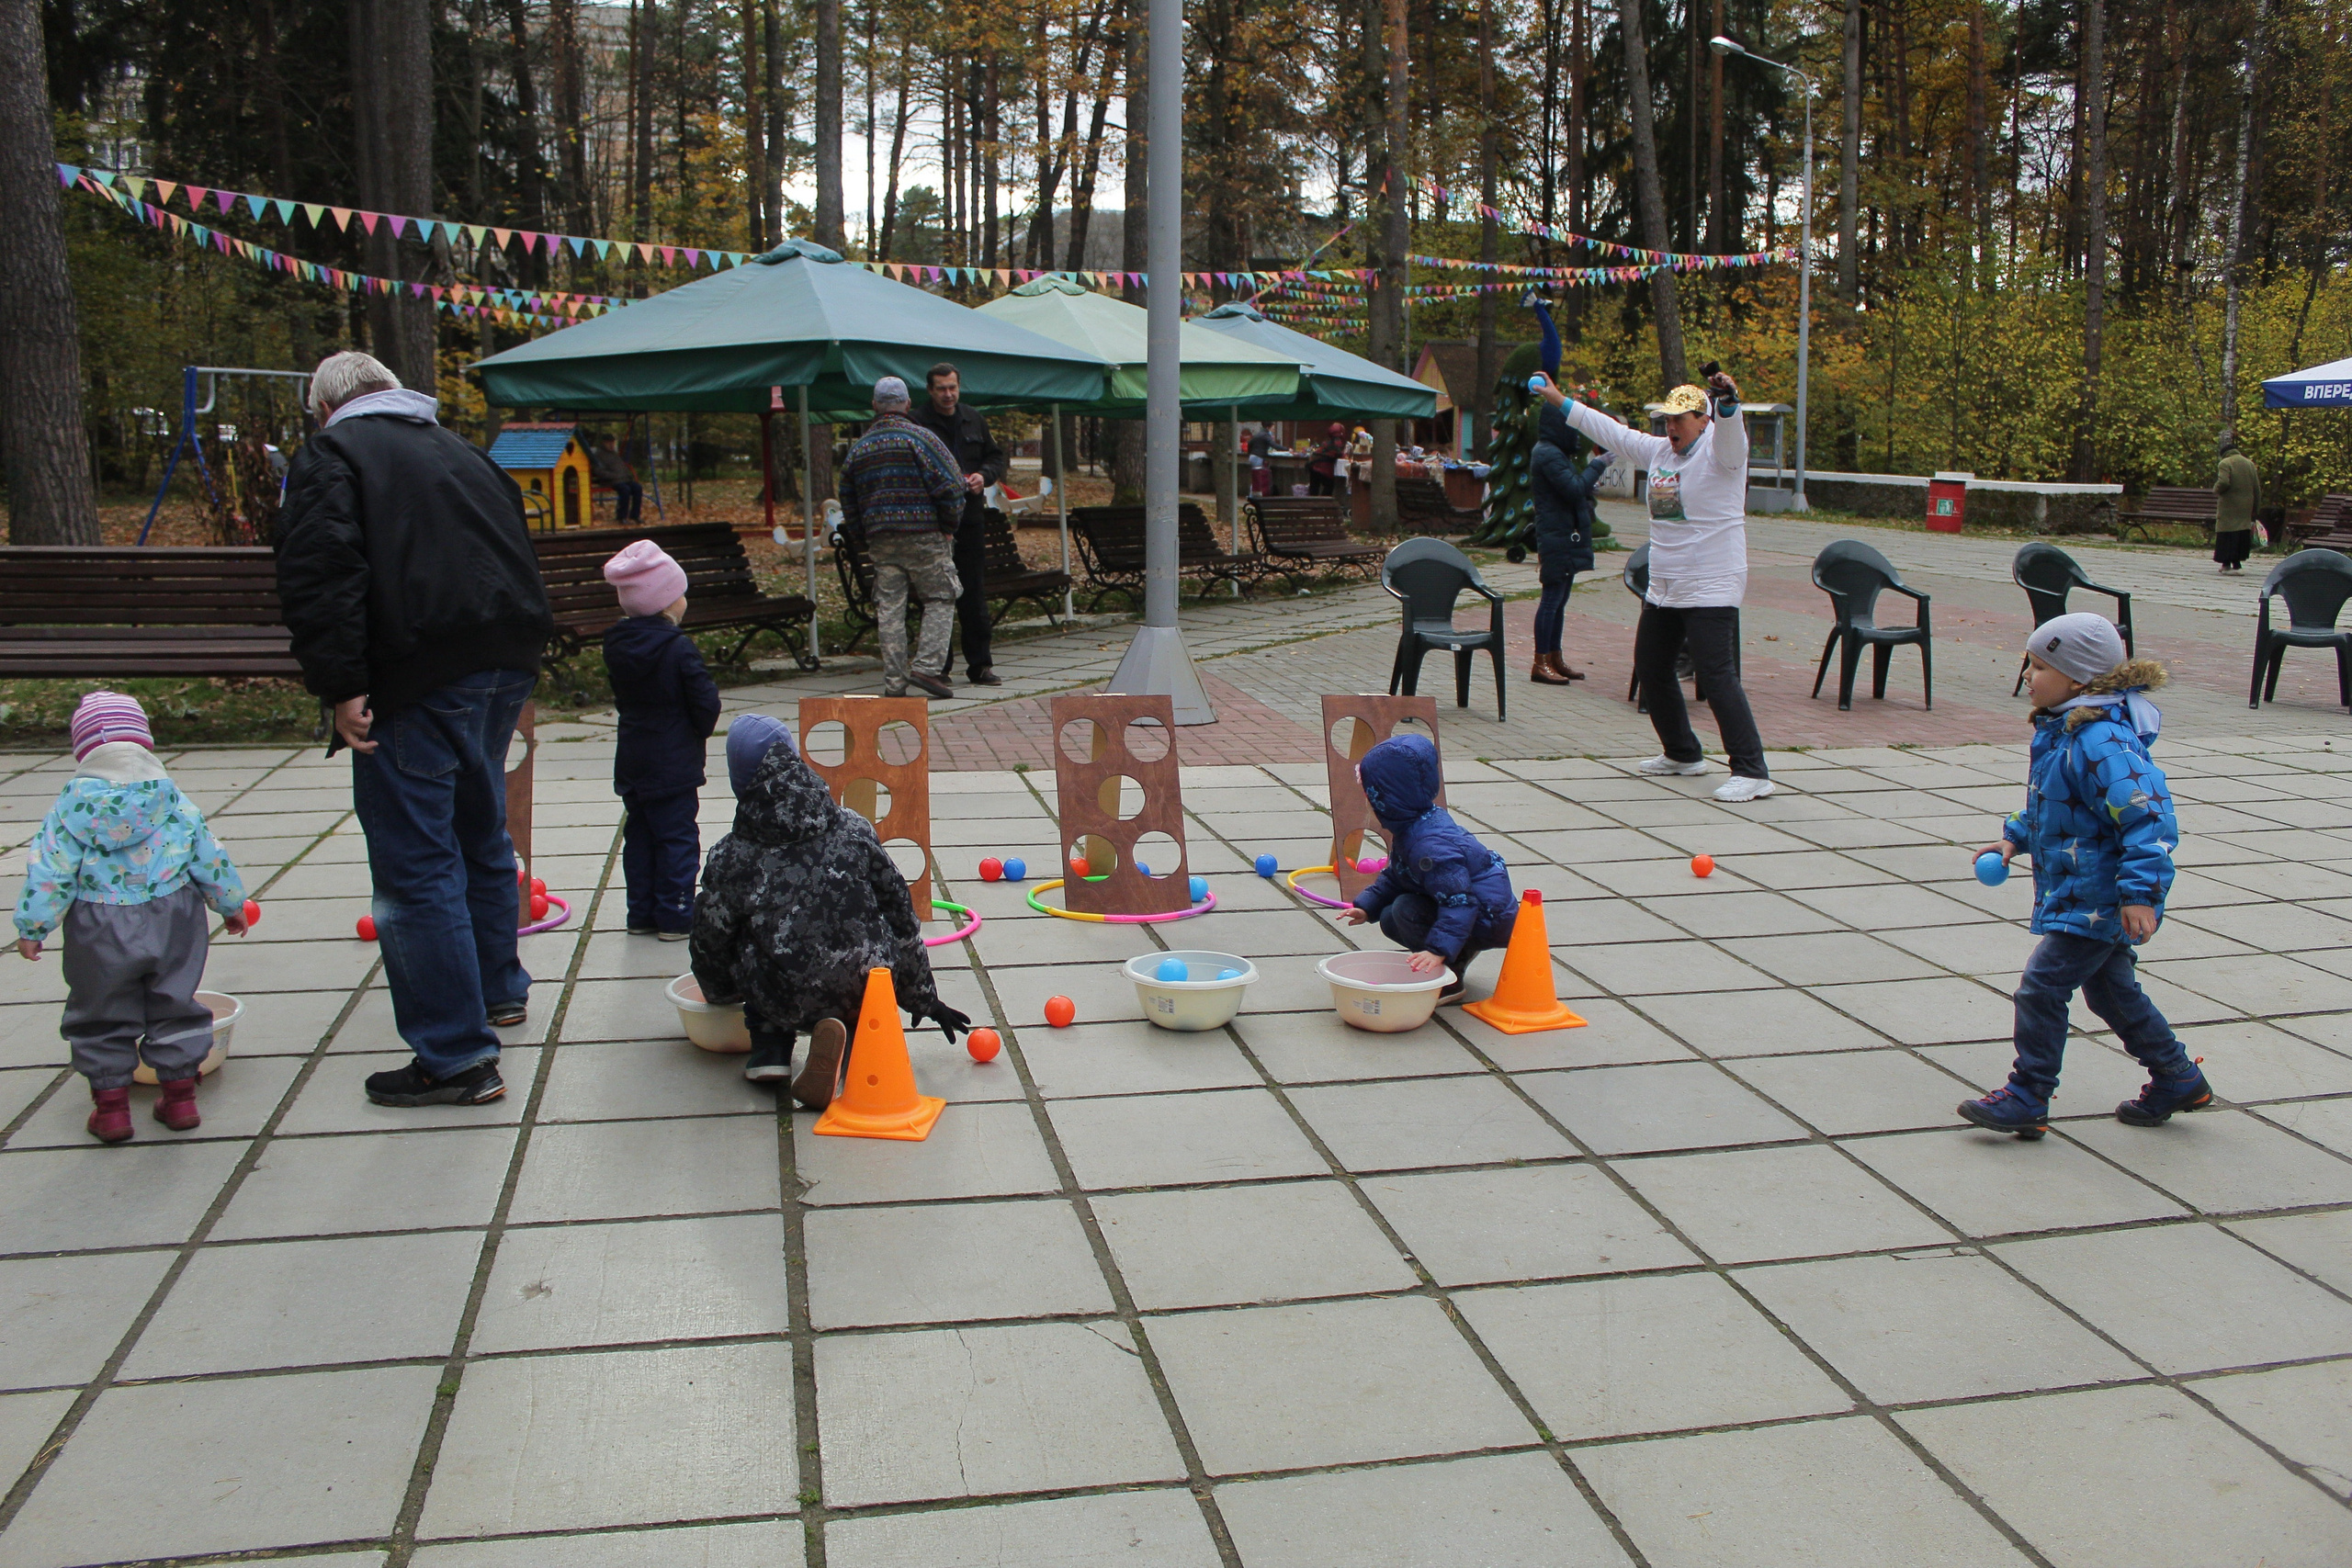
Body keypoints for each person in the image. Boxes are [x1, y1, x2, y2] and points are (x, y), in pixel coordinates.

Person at [276, 350, 555, 1109]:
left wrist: (342, 685)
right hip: (505, 660)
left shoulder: (333, 455)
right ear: (392, 392)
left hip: (417, 672)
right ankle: (499, 988)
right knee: (480, 831)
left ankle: (456, 1055)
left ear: (324, 408)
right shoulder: (460, 450)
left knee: (416, 867)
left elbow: (321, 572)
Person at [1961, 613, 2213, 1138]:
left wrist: (2140, 894)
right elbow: (2057, 803)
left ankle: (2029, 1093)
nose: (2027, 676)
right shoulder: (2065, 730)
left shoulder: (2102, 741)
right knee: (2111, 992)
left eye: (2039, 666)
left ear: (2078, 679)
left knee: (2041, 987)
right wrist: (2015, 837)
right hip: (2084, 891)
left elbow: (2150, 820)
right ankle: (2178, 1076)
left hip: (2101, 897)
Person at [690, 714, 971, 1100]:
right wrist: (922, 996)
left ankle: (770, 1048)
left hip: (784, 994)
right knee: (867, 938)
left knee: (741, 936)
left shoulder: (731, 855)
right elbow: (901, 916)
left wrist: (718, 993)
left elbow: (710, 937)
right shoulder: (853, 828)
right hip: (865, 987)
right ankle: (855, 1040)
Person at [15, 693, 248, 1143]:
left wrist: (33, 926)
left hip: (99, 922)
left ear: (83, 750)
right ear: (145, 743)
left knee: (100, 1009)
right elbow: (207, 854)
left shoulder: (69, 808)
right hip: (172, 916)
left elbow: (50, 872)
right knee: (174, 1000)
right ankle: (180, 1100)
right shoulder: (171, 799)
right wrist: (230, 903)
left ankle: (111, 1111)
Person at [1537, 369, 1772, 803]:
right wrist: (1558, 399)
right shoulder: (1661, 451)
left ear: (1703, 420)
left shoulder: (1723, 455)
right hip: (1666, 584)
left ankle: (1752, 770)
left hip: (1711, 582)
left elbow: (1732, 437)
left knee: (1716, 675)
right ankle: (1683, 753)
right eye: (1667, 419)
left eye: (1680, 419)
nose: (1671, 427)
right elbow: (1611, 431)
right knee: (1651, 665)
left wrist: (1729, 404)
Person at [1335, 734, 1517, 1005]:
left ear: (1386, 801)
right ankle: (1458, 951)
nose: (1366, 803)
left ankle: (1449, 977)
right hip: (1473, 908)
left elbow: (1460, 901)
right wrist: (1366, 906)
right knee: (1389, 916)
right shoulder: (1415, 826)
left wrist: (1437, 950)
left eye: (1369, 796)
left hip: (1489, 917)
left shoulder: (1429, 846)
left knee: (1404, 910)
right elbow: (1397, 876)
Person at [602, 539, 722, 939]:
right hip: (673, 760)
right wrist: (698, 731)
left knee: (639, 836)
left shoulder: (617, 645)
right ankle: (675, 914)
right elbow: (704, 700)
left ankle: (641, 913)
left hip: (633, 756)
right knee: (676, 838)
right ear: (668, 602)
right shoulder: (678, 647)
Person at [839, 376, 967, 701]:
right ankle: (926, 667)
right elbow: (953, 486)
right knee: (940, 597)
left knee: (890, 610)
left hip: (881, 540)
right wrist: (949, 524)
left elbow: (848, 501)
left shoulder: (859, 449)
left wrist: (863, 536)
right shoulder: (922, 439)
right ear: (908, 404)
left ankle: (895, 683)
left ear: (874, 406)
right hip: (925, 535)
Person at [910, 363, 1008, 686]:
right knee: (938, 595)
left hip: (970, 519)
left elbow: (996, 457)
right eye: (941, 389)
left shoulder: (973, 418)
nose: (948, 394)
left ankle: (980, 665)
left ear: (959, 386)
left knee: (973, 592)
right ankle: (939, 667)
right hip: (934, 524)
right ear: (930, 390)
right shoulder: (917, 423)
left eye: (952, 387)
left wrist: (984, 475)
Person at [1528, 404, 1609, 684]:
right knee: (1551, 599)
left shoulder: (1555, 452)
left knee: (1560, 600)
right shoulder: (1548, 453)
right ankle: (1541, 662)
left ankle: (1555, 657)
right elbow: (1573, 488)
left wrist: (1586, 483)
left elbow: (1570, 487)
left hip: (1564, 534)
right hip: (1556, 535)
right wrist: (1598, 465)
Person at [2213, 430, 2259, 572]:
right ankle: (2237, 564)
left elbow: (2224, 482)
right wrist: (2255, 508)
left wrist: (2216, 489)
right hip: (2246, 506)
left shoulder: (2225, 463)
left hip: (2229, 506)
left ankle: (2226, 564)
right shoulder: (2249, 464)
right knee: (2241, 533)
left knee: (2226, 533)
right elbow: (2257, 488)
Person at [589, 434, 644, 524]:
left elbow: (622, 467)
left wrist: (627, 475)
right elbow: (599, 471)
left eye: (612, 442)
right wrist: (614, 476)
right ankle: (621, 517)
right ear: (603, 443)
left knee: (637, 488)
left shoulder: (614, 454)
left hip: (623, 479)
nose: (611, 445)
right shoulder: (599, 455)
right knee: (625, 490)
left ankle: (635, 515)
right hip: (611, 481)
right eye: (609, 443)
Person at [1307, 423, 1345, 497]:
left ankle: (1313, 503)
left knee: (1314, 490)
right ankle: (1324, 503)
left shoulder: (1326, 442)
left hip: (1313, 466)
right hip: (1324, 468)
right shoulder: (1337, 441)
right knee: (1329, 486)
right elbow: (1339, 454)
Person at [1247, 424, 1275, 497]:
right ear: (1268, 428)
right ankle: (1253, 494)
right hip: (1258, 457)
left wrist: (1249, 453)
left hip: (1253, 456)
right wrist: (1287, 449)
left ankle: (1253, 494)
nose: (1273, 430)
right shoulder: (1266, 435)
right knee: (1257, 477)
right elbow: (1273, 445)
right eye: (1273, 429)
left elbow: (1249, 443)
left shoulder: (1258, 435)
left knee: (1255, 476)